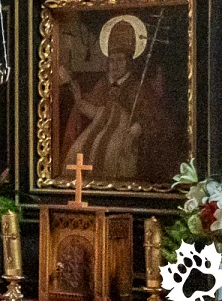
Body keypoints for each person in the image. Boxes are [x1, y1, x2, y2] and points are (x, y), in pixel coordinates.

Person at [59, 14, 167, 181]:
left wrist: (134, 131)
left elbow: (150, 117)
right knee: (78, 150)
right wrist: (80, 101)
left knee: (113, 154)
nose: (115, 65)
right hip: (96, 135)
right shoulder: (102, 84)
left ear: (129, 62)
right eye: (111, 60)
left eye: (120, 60)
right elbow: (91, 109)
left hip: (125, 139)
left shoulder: (139, 87)